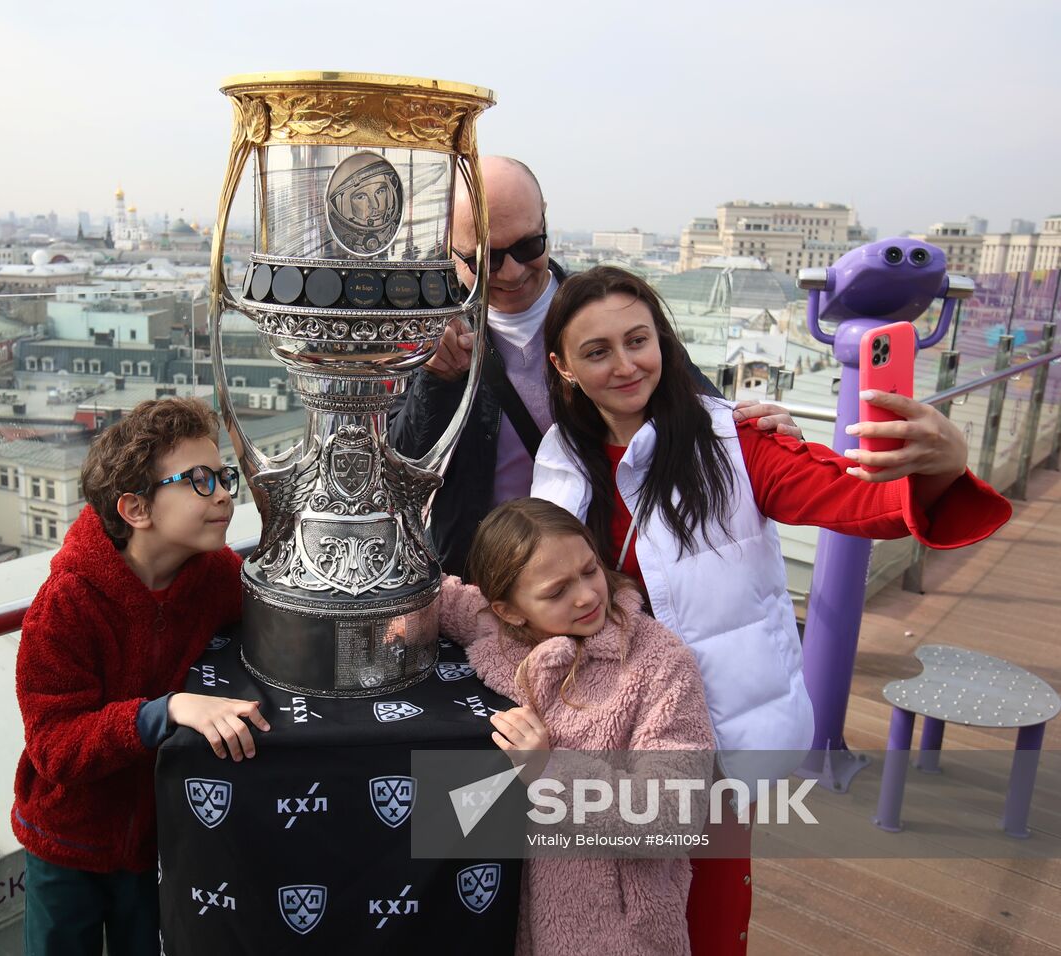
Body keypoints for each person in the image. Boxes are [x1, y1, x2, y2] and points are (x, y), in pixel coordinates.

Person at [531, 266, 1012, 955]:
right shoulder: (560, 456)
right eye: (597, 351)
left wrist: (934, 467)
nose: (626, 364)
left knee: (712, 909)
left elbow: (853, 501)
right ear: (564, 366)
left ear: (663, 342)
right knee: (607, 909)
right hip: (602, 735)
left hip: (714, 739)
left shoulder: (736, 441)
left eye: (638, 340)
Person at [388, 156, 799, 575]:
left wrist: (761, 436)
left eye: (529, 246)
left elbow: (697, 413)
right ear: (446, 248)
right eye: (487, 258)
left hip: (605, 581)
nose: (511, 272)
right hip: (489, 584)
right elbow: (399, 469)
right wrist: (436, 380)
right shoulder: (425, 330)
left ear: (546, 220)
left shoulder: (611, 312)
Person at [11, 397, 271, 956]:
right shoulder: (66, 605)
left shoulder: (214, 575)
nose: (225, 494)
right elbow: (54, 748)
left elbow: (271, 627)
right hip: (66, 842)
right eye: (199, 480)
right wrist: (166, 709)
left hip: (159, 837)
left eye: (224, 476)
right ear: (135, 508)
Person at [436, 497, 715, 955]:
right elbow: (428, 595)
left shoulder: (660, 665)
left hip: (615, 933)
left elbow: (675, 815)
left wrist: (551, 772)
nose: (586, 595)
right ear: (509, 610)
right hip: (503, 918)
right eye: (556, 591)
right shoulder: (496, 631)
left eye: (590, 570)